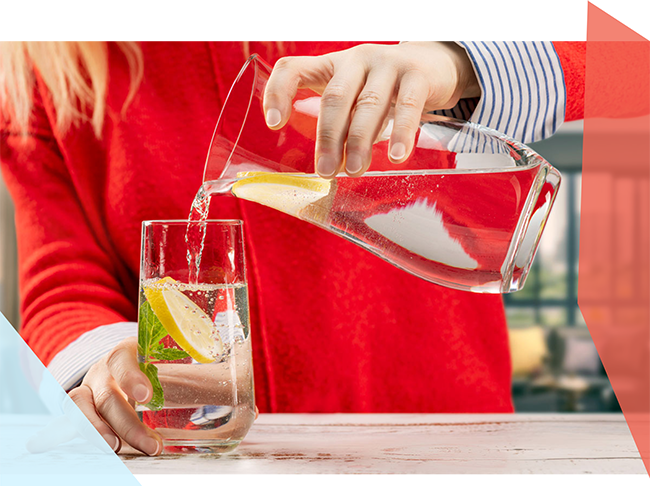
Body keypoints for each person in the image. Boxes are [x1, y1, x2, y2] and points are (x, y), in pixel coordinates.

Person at [0, 41, 584, 457]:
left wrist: (455, 61)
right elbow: (63, 282)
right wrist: (109, 361)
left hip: (445, 449)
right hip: (208, 464)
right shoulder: (44, 66)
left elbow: (621, 52)